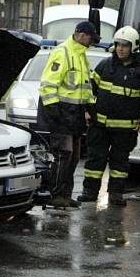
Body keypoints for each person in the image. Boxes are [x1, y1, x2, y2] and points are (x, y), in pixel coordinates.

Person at [78, 26, 140, 207]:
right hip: (99, 125)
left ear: (133, 47)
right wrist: (87, 110)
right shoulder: (105, 66)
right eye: (118, 44)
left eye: (125, 45)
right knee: (94, 160)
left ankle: (115, 195)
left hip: (125, 129)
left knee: (119, 163)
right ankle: (89, 192)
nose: (120, 48)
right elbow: (89, 90)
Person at [39, 21, 98, 208]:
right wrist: (53, 111)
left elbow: (85, 87)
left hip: (76, 115)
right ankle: (56, 195)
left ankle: (65, 195)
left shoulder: (81, 56)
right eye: (90, 38)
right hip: (62, 114)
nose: (91, 42)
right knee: (64, 155)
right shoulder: (62, 53)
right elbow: (48, 84)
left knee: (73, 157)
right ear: (81, 35)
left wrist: (90, 108)